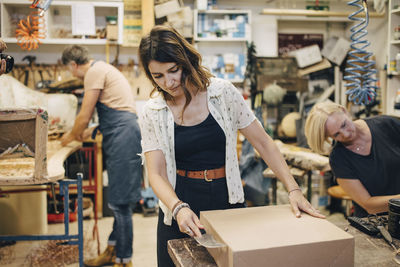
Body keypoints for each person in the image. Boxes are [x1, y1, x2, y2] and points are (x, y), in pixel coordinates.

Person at [138, 25, 325, 267]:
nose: (169, 82)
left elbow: (263, 142)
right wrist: (177, 208)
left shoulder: (222, 93)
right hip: (179, 205)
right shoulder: (152, 111)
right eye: (158, 76)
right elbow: (156, 173)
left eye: (173, 70)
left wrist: (293, 189)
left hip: (226, 199)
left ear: (186, 61)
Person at [60, 45, 142, 267]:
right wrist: (96, 128)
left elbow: (84, 115)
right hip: (120, 133)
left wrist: (67, 138)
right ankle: (112, 251)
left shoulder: (93, 72)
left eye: (69, 70)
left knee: (121, 204)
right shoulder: (103, 68)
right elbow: (115, 108)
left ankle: (124, 261)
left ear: (72, 65)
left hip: (123, 136)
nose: (71, 74)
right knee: (118, 200)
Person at [305, 101, 400, 218]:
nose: (346, 134)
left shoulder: (387, 125)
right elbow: (369, 205)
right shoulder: (338, 159)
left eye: (344, 125)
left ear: (344, 111)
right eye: (336, 135)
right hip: (376, 223)